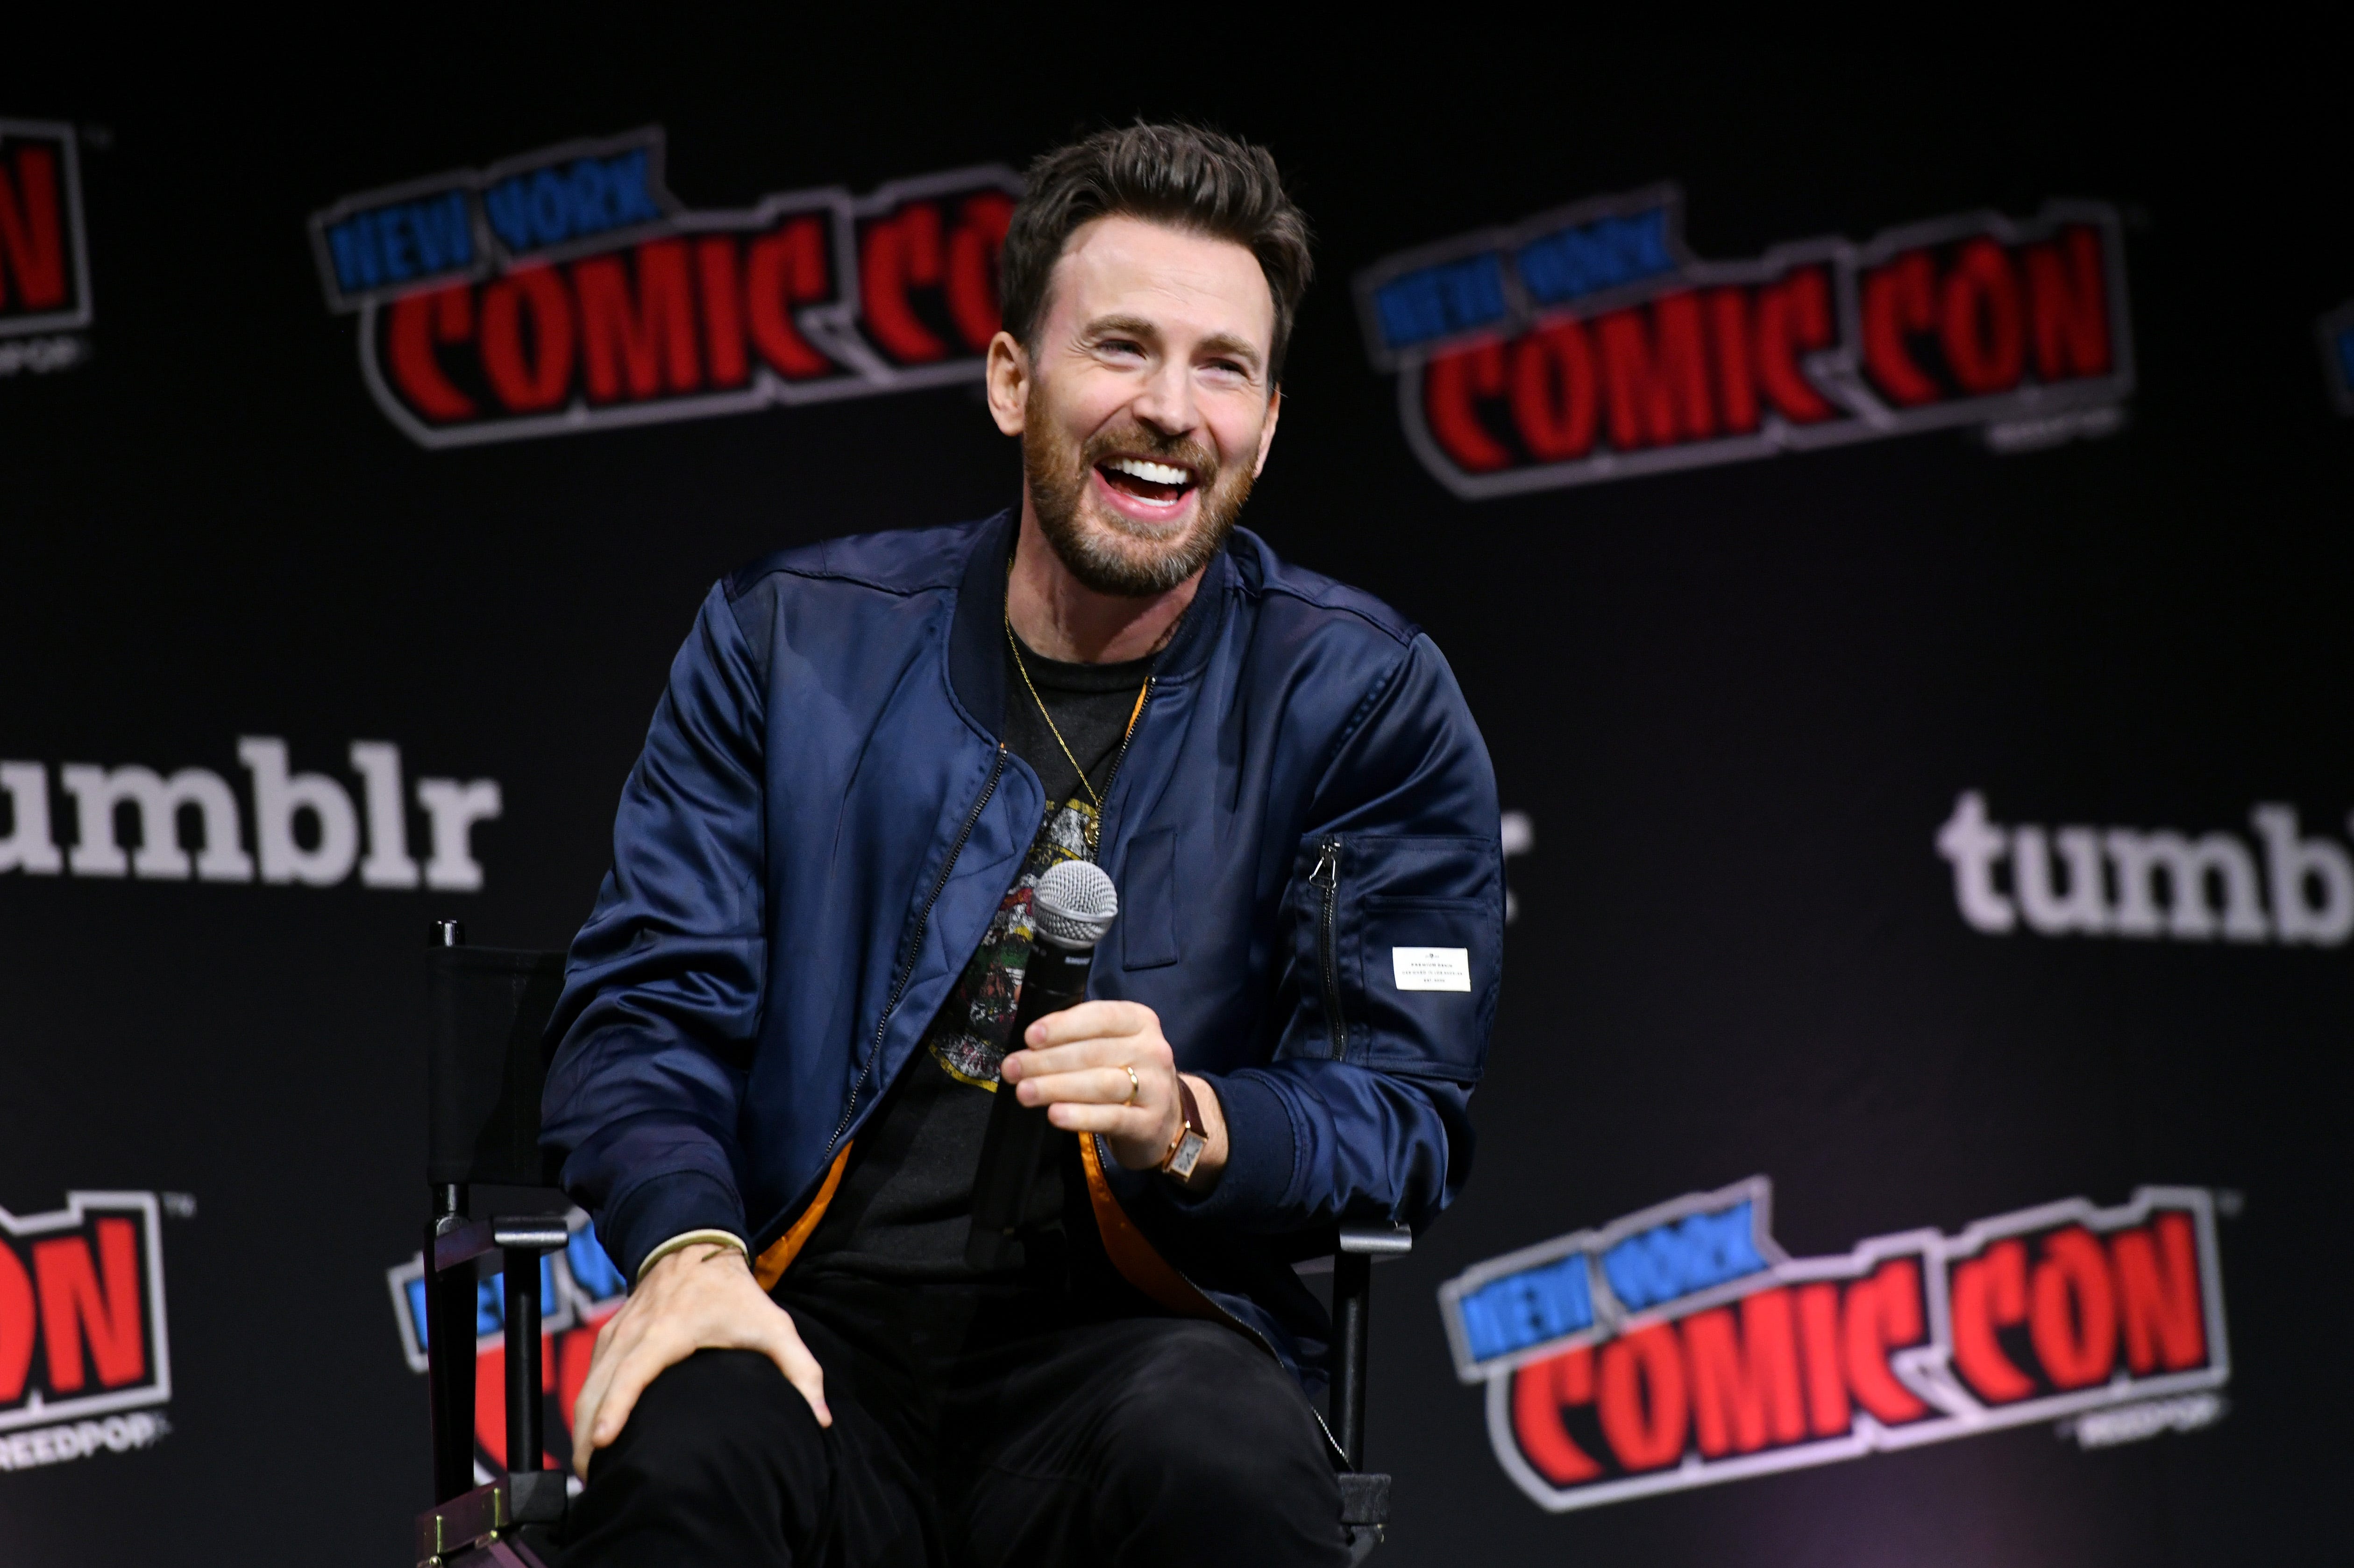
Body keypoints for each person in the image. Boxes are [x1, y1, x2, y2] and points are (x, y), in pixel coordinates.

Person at [540, 121, 1502, 1567]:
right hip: (808, 1315)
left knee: (1229, 1467)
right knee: (687, 1451)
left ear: (1269, 424)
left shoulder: (1365, 698)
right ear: (1012, 383)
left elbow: (1403, 1110)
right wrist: (687, 1256)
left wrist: (1198, 1121)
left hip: (1147, 1337)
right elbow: (644, 1011)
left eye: (1222, 367)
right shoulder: (790, 639)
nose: (1171, 408)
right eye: (1120, 348)